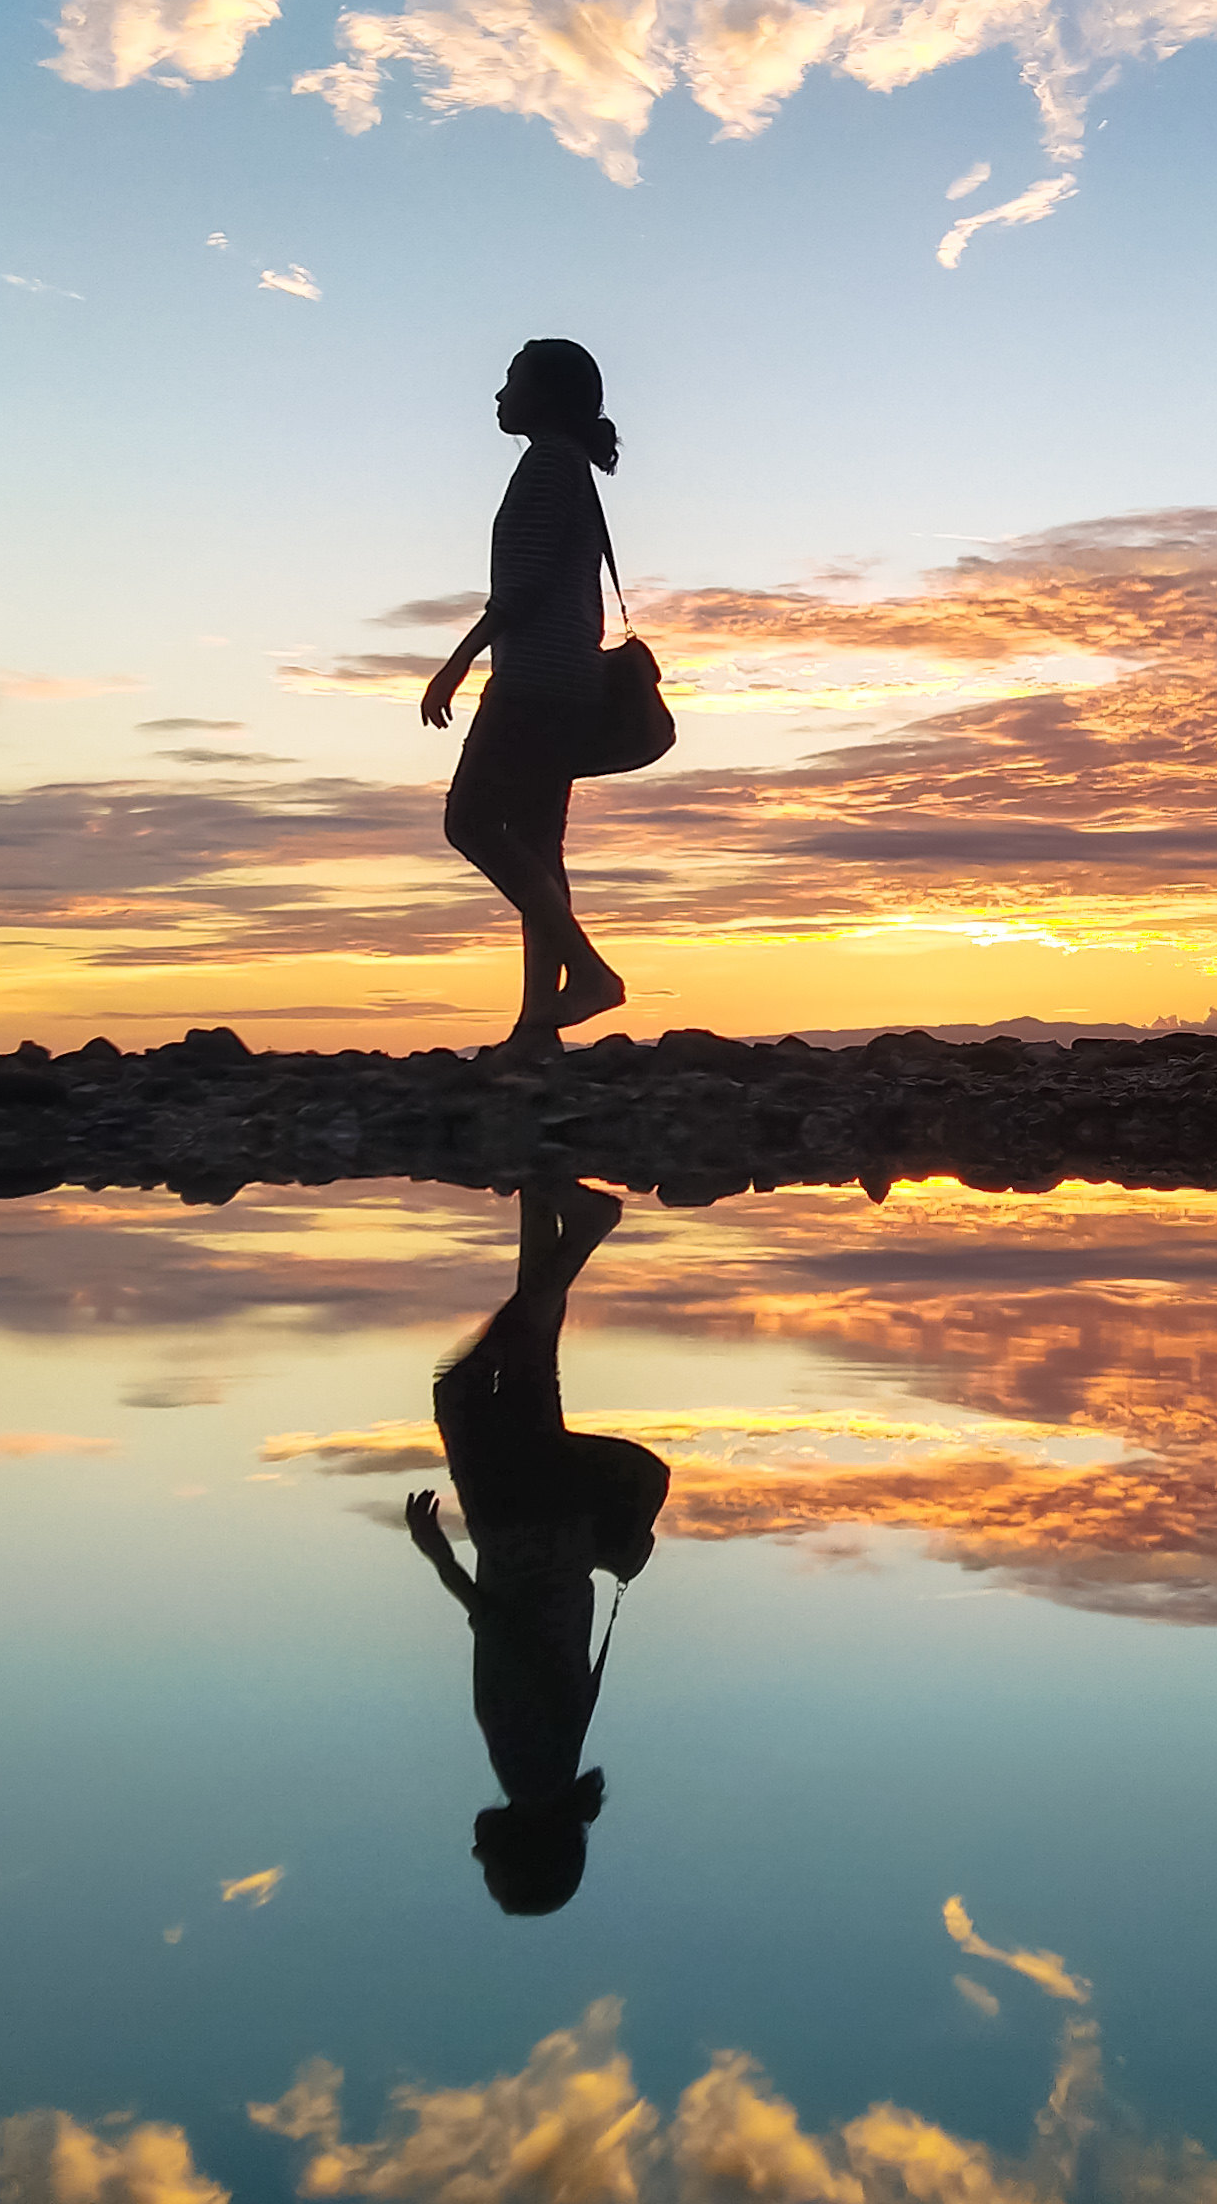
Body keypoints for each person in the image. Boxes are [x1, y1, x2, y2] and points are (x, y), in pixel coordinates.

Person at [403, 1181, 667, 1917]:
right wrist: (440, 1558)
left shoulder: (557, 1767)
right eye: (493, 1873)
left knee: (527, 1369)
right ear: (525, 1853)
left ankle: (538, 1191)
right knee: (459, 1390)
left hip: (557, 1537)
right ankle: (582, 1227)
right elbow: (503, 1635)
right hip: (516, 1535)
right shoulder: (528, 1770)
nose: (476, 1856)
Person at [423, 339, 628, 1051]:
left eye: (512, 381)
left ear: (546, 397)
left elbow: (524, 585)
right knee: (538, 849)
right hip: (570, 678)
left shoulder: (547, 465)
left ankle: (591, 976)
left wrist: (457, 661)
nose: (500, 394)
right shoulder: (569, 467)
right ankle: (538, 1025)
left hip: (536, 681)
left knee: (471, 823)